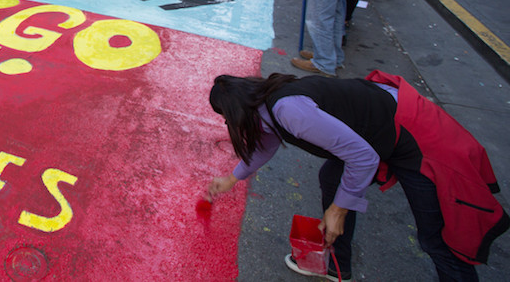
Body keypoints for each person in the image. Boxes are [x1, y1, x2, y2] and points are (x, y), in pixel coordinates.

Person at [207, 72, 507, 282]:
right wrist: (233, 179)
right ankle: (339, 266)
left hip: (415, 139)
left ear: (234, 112)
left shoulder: (289, 110)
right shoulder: (267, 104)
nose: (225, 122)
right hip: (380, 132)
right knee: (331, 179)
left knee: (437, 237)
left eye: (224, 117)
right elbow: (266, 144)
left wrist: (338, 210)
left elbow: (363, 158)